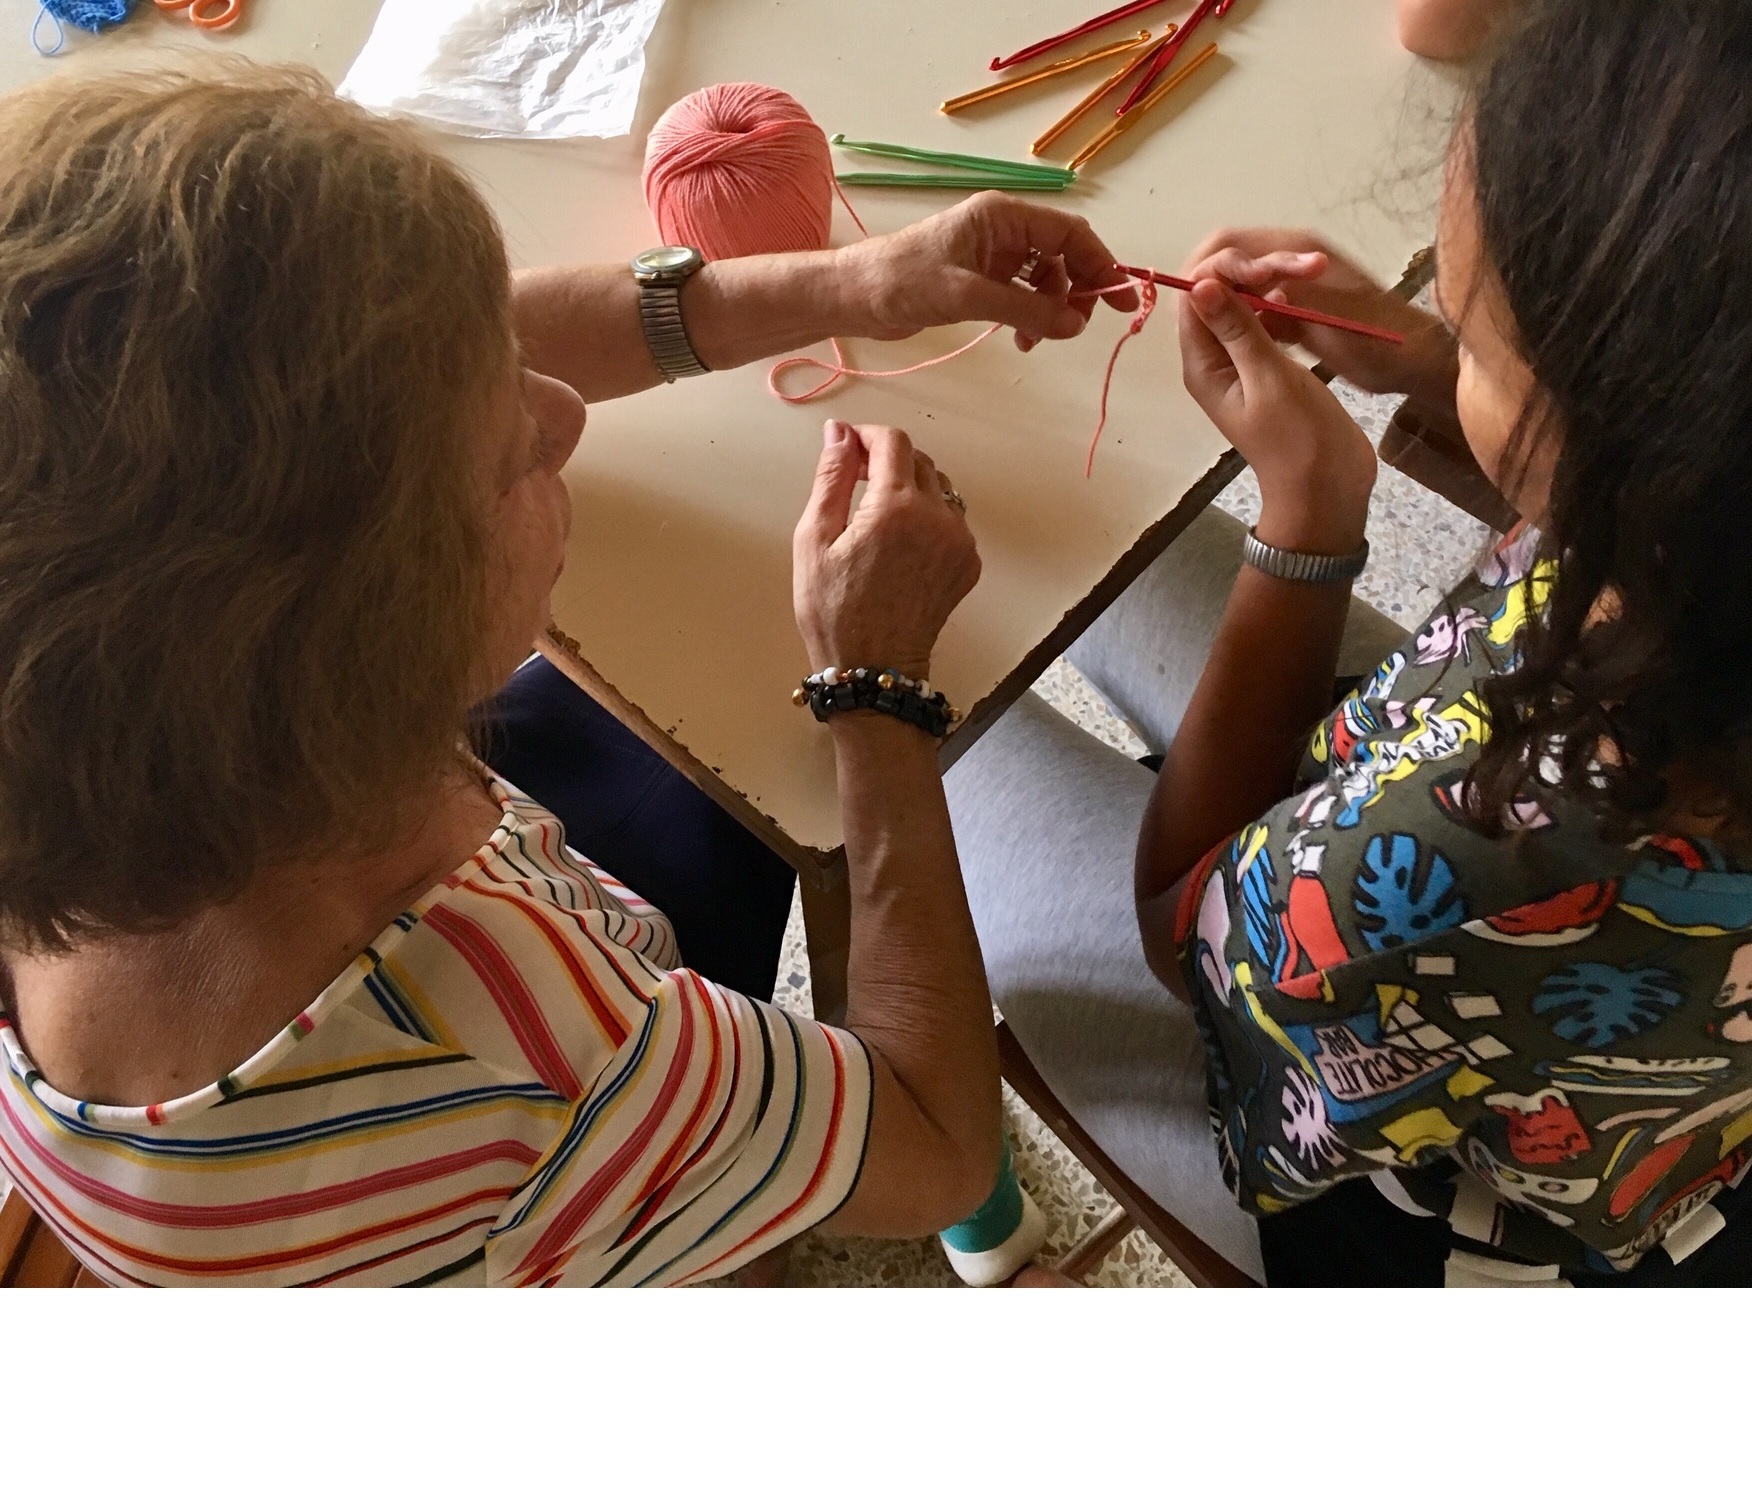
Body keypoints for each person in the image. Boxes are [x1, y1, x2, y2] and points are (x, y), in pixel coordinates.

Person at [0, 64, 1133, 1286]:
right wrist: (878, 689)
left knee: (721, 745)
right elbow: (942, 1146)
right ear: (399, 663)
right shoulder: (543, 1054)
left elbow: (418, 358)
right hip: (509, 1133)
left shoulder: (105, 737)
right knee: (784, 755)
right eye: (507, 451)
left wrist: (856, 283)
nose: (564, 413)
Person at [948, 0, 1752, 1285]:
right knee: (1091, 544)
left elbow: (1181, 930)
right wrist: (1436, 361)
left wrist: (1310, 520)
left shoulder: (1486, 861)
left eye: (1479, 333)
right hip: (1672, 1078)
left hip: (1408, 1209)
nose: (1449, 340)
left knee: (947, 749)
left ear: (1634, 452)